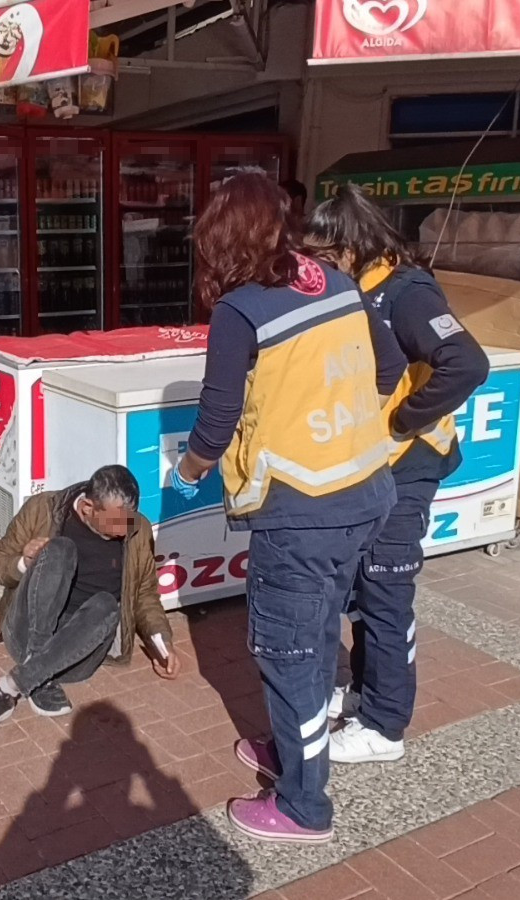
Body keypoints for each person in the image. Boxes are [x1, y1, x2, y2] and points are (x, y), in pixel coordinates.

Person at [169, 174, 406, 845]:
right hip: (366, 492)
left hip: (301, 511)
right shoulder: (337, 282)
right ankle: (293, 746)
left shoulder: (240, 311)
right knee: (319, 629)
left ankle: (304, 806)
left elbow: (214, 424)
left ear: (221, 239)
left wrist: (186, 471)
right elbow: (388, 370)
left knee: (290, 652)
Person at [304, 184, 488, 764]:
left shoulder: (405, 292)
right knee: (360, 588)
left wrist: (405, 421)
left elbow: (467, 363)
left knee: (386, 593)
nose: (317, 267)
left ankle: (384, 727)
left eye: (325, 256)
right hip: (372, 465)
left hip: (407, 467)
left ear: (352, 244)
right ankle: (363, 693)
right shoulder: (359, 287)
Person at [0, 466, 179, 735]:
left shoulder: (137, 529)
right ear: (86, 507)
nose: (123, 531)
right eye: (115, 523)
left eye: (129, 521)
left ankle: (10, 686)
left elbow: (144, 592)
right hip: (29, 629)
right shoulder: (43, 508)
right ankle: (39, 667)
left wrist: (160, 641)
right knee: (59, 549)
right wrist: (24, 562)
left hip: (81, 647)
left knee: (107, 605)